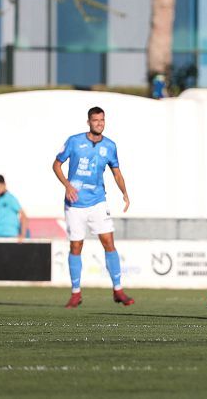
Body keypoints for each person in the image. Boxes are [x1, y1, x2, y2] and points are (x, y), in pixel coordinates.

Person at [52, 107, 133, 308]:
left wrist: (124, 193)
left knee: (108, 242)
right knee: (76, 246)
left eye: (102, 120)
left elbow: (117, 173)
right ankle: (76, 293)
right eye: (95, 120)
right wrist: (68, 185)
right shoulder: (74, 141)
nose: (99, 123)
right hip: (75, 203)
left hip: (98, 201)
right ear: (88, 122)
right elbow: (56, 165)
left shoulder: (110, 146)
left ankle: (118, 289)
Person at [0, 175, 28, 242]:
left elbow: (23, 216)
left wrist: (22, 235)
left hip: (11, 236)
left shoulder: (10, 198)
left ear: (4, 185)